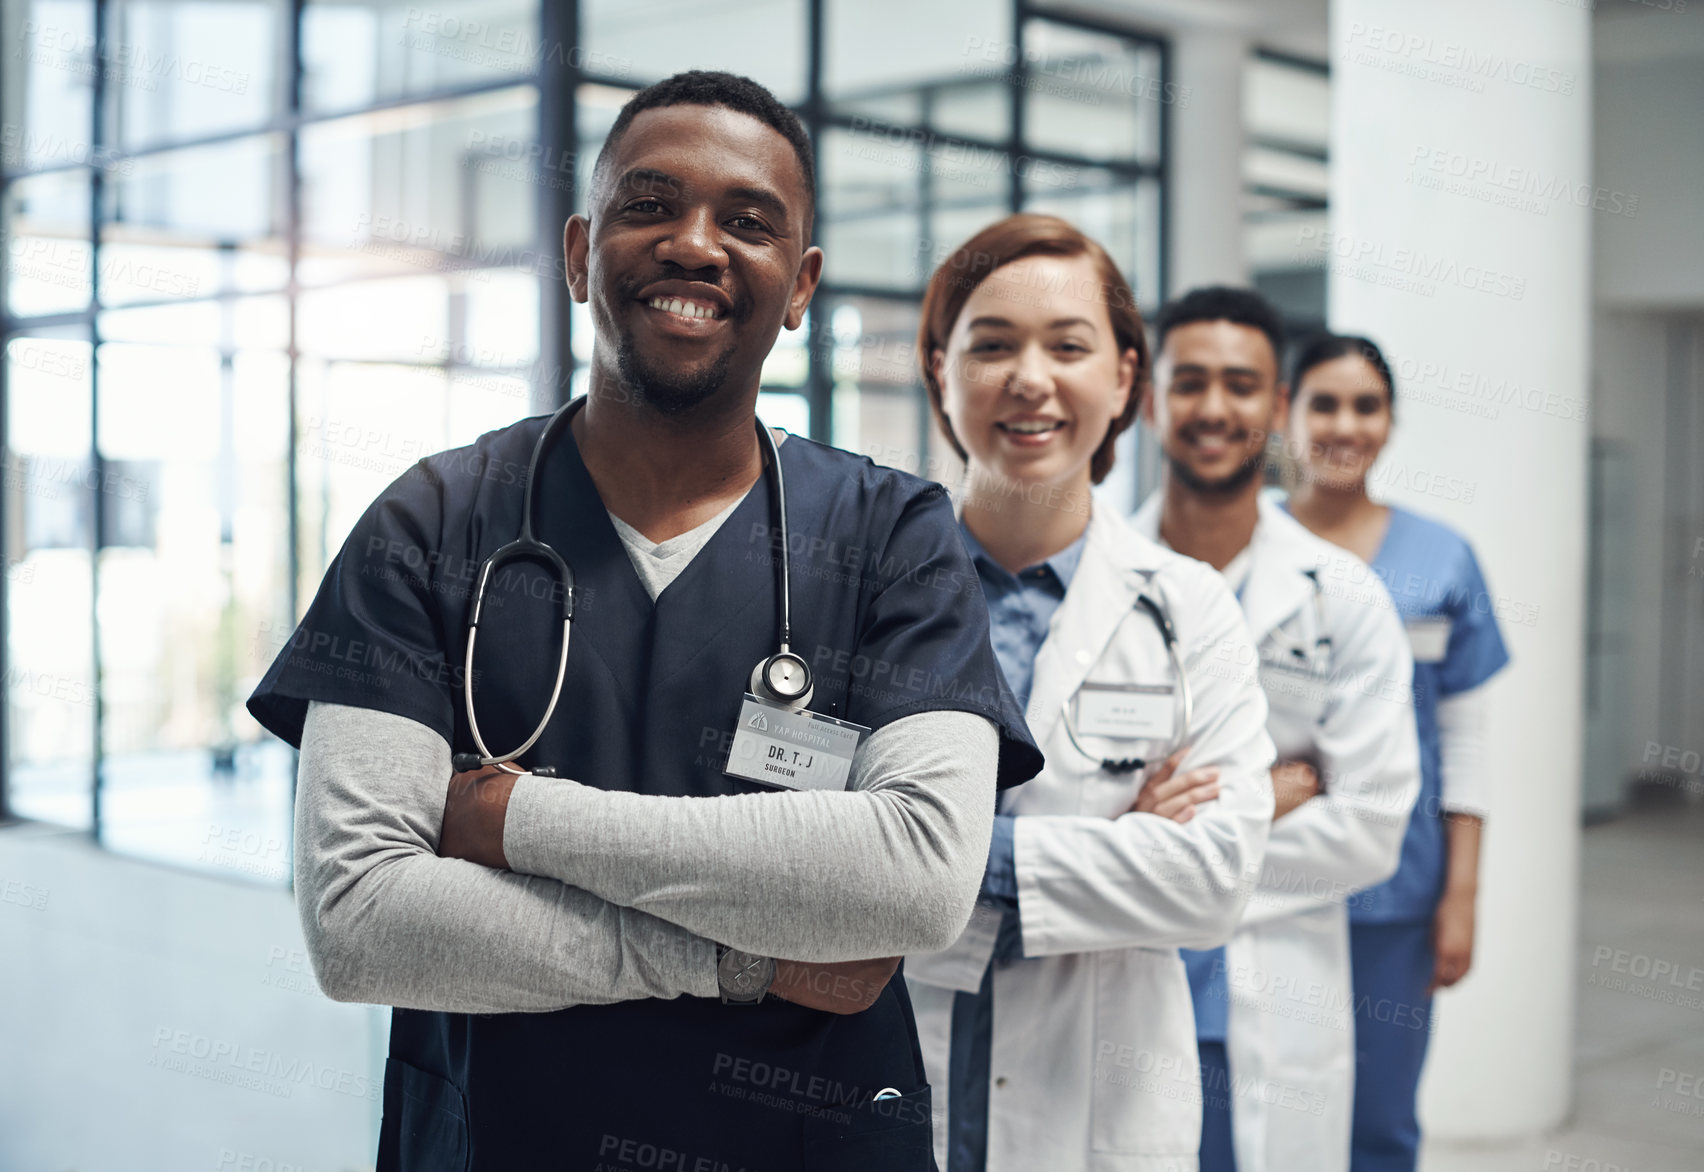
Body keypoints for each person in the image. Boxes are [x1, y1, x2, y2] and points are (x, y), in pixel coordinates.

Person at [245, 71, 1042, 1171]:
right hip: (508, 1137)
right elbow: (360, 914)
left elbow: (914, 872)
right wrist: (745, 959)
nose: (696, 244)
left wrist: (514, 820)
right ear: (581, 252)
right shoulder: (429, 523)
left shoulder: (892, 533)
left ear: (801, 283)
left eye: (748, 221)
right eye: (650, 205)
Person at [902, 214, 1277, 1172]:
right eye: (992, 345)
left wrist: (927, 847)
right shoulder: (859, 592)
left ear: (1124, 379)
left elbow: (1216, 878)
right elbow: (794, 825)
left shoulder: (1191, 610)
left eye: (1069, 345)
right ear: (941, 368)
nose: (1031, 378)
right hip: (884, 1062)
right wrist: (1113, 848)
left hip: (1103, 1104)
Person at [1129, 286, 1422, 1172]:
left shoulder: (1344, 595)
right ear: (1147, 398)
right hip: (1125, 984)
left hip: (1273, 977)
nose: (1215, 409)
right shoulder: (1095, 581)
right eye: (1190, 384)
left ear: (1278, 406)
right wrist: (1276, 788)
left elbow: (1370, 826)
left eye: (1242, 384)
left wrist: (1165, 837)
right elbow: (1063, 805)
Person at [1281, 333, 1510, 1172]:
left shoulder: (1442, 558)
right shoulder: (1243, 545)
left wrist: (1461, 895)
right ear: (1287, 414)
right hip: (1260, 874)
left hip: (1396, 890)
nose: (1346, 425)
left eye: (1367, 406)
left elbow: (1465, 740)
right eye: (1325, 404)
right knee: (1252, 1106)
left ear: (1390, 421)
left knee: (1378, 1122)